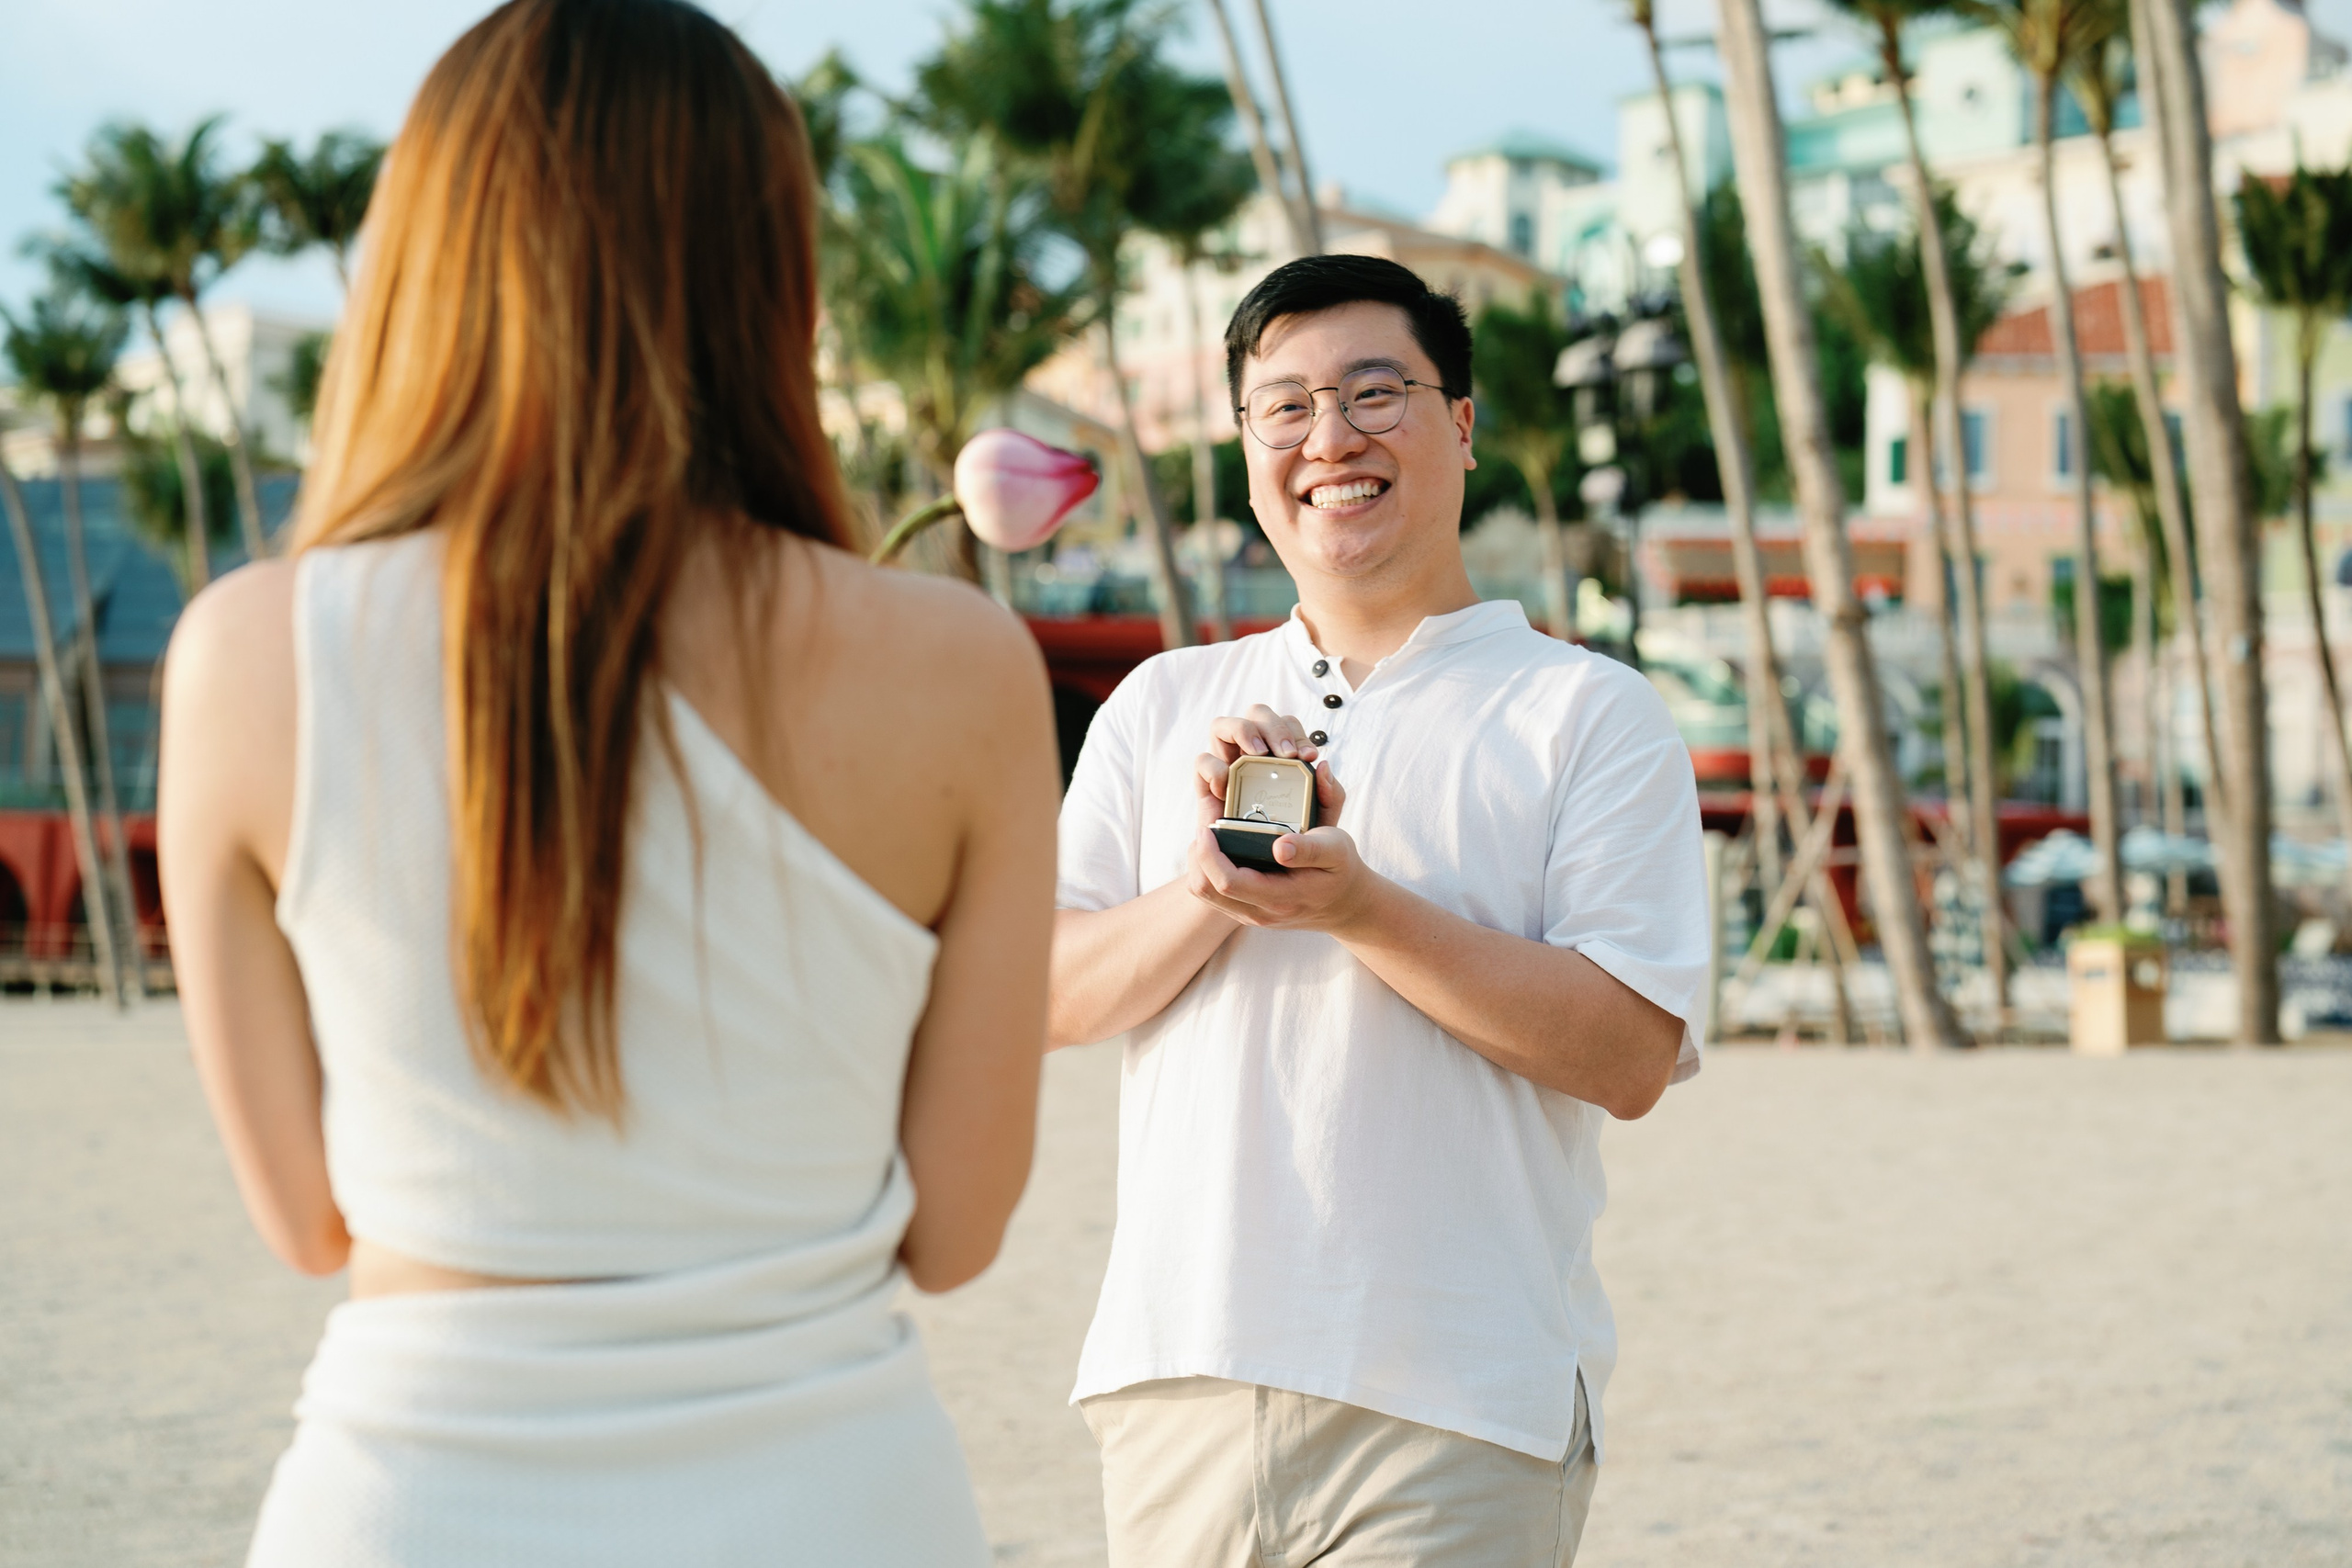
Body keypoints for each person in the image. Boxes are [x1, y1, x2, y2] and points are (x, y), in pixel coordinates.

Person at [155, 3, 1057, 1562]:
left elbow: (305, 1222)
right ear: (772, 273)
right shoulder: (959, 666)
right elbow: (957, 1234)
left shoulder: (249, 654)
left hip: (411, 1497)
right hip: (834, 1501)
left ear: (427, 259)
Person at [1049, 254, 1710, 1566]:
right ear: (1246, 453)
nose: (1328, 439)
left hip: (1458, 1401)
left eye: (1374, 392)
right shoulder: (1160, 704)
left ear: (1461, 427)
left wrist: (1360, 911)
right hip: (1179, 1377)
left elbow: (1630, 1053)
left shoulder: (1587, 712)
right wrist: (1214, 877)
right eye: (1282, 407)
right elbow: (1049, 995)